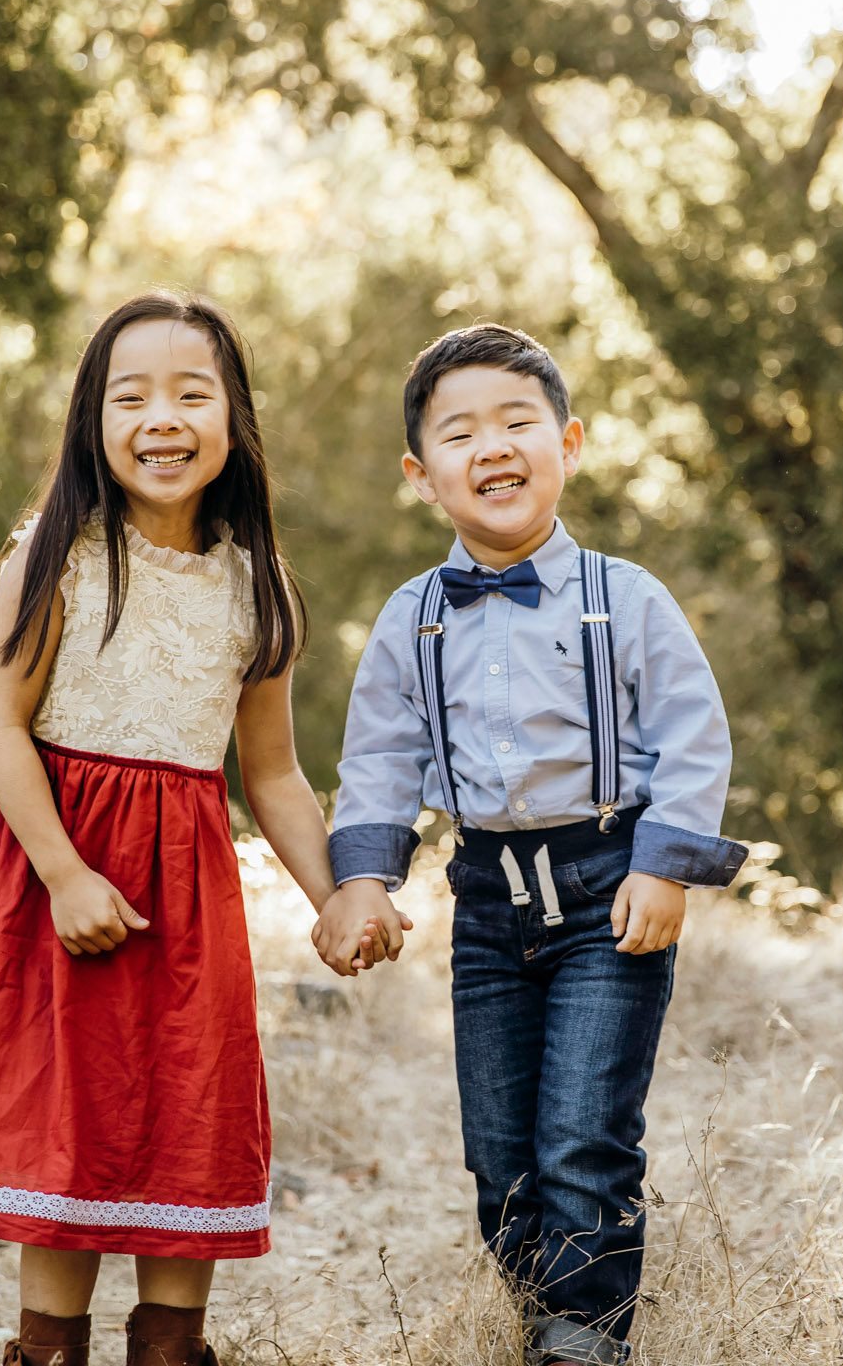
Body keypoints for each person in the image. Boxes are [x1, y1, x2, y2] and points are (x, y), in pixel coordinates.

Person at [0, 292, 358, 1366]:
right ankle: (48, 1349)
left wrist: (337, 896)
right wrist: (65, 874)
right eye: (130, 396)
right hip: (56, 877)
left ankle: (170, 1351)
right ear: (94, 420)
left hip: (184, 897)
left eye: (192, 393)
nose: (160, 418)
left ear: (235, 423)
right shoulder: (56, 553)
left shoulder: (255, 587)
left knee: (187, 1109)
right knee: (65, 1125)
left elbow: (271, 774)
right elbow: (1, 725)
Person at [318, 325, 749, 1365]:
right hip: (487, 904)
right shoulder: (411, 618)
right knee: (501, 1149)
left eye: (518, 422)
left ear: (571, 441)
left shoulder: (627, 598)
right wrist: (364, 880)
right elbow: (378, 758)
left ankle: (583, 1334)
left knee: (585, 1134)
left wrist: (664, 864)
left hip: (611, 891)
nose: (493, 447)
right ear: (422, 476)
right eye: (459, 432)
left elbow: (693, 732)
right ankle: (527, 1310)